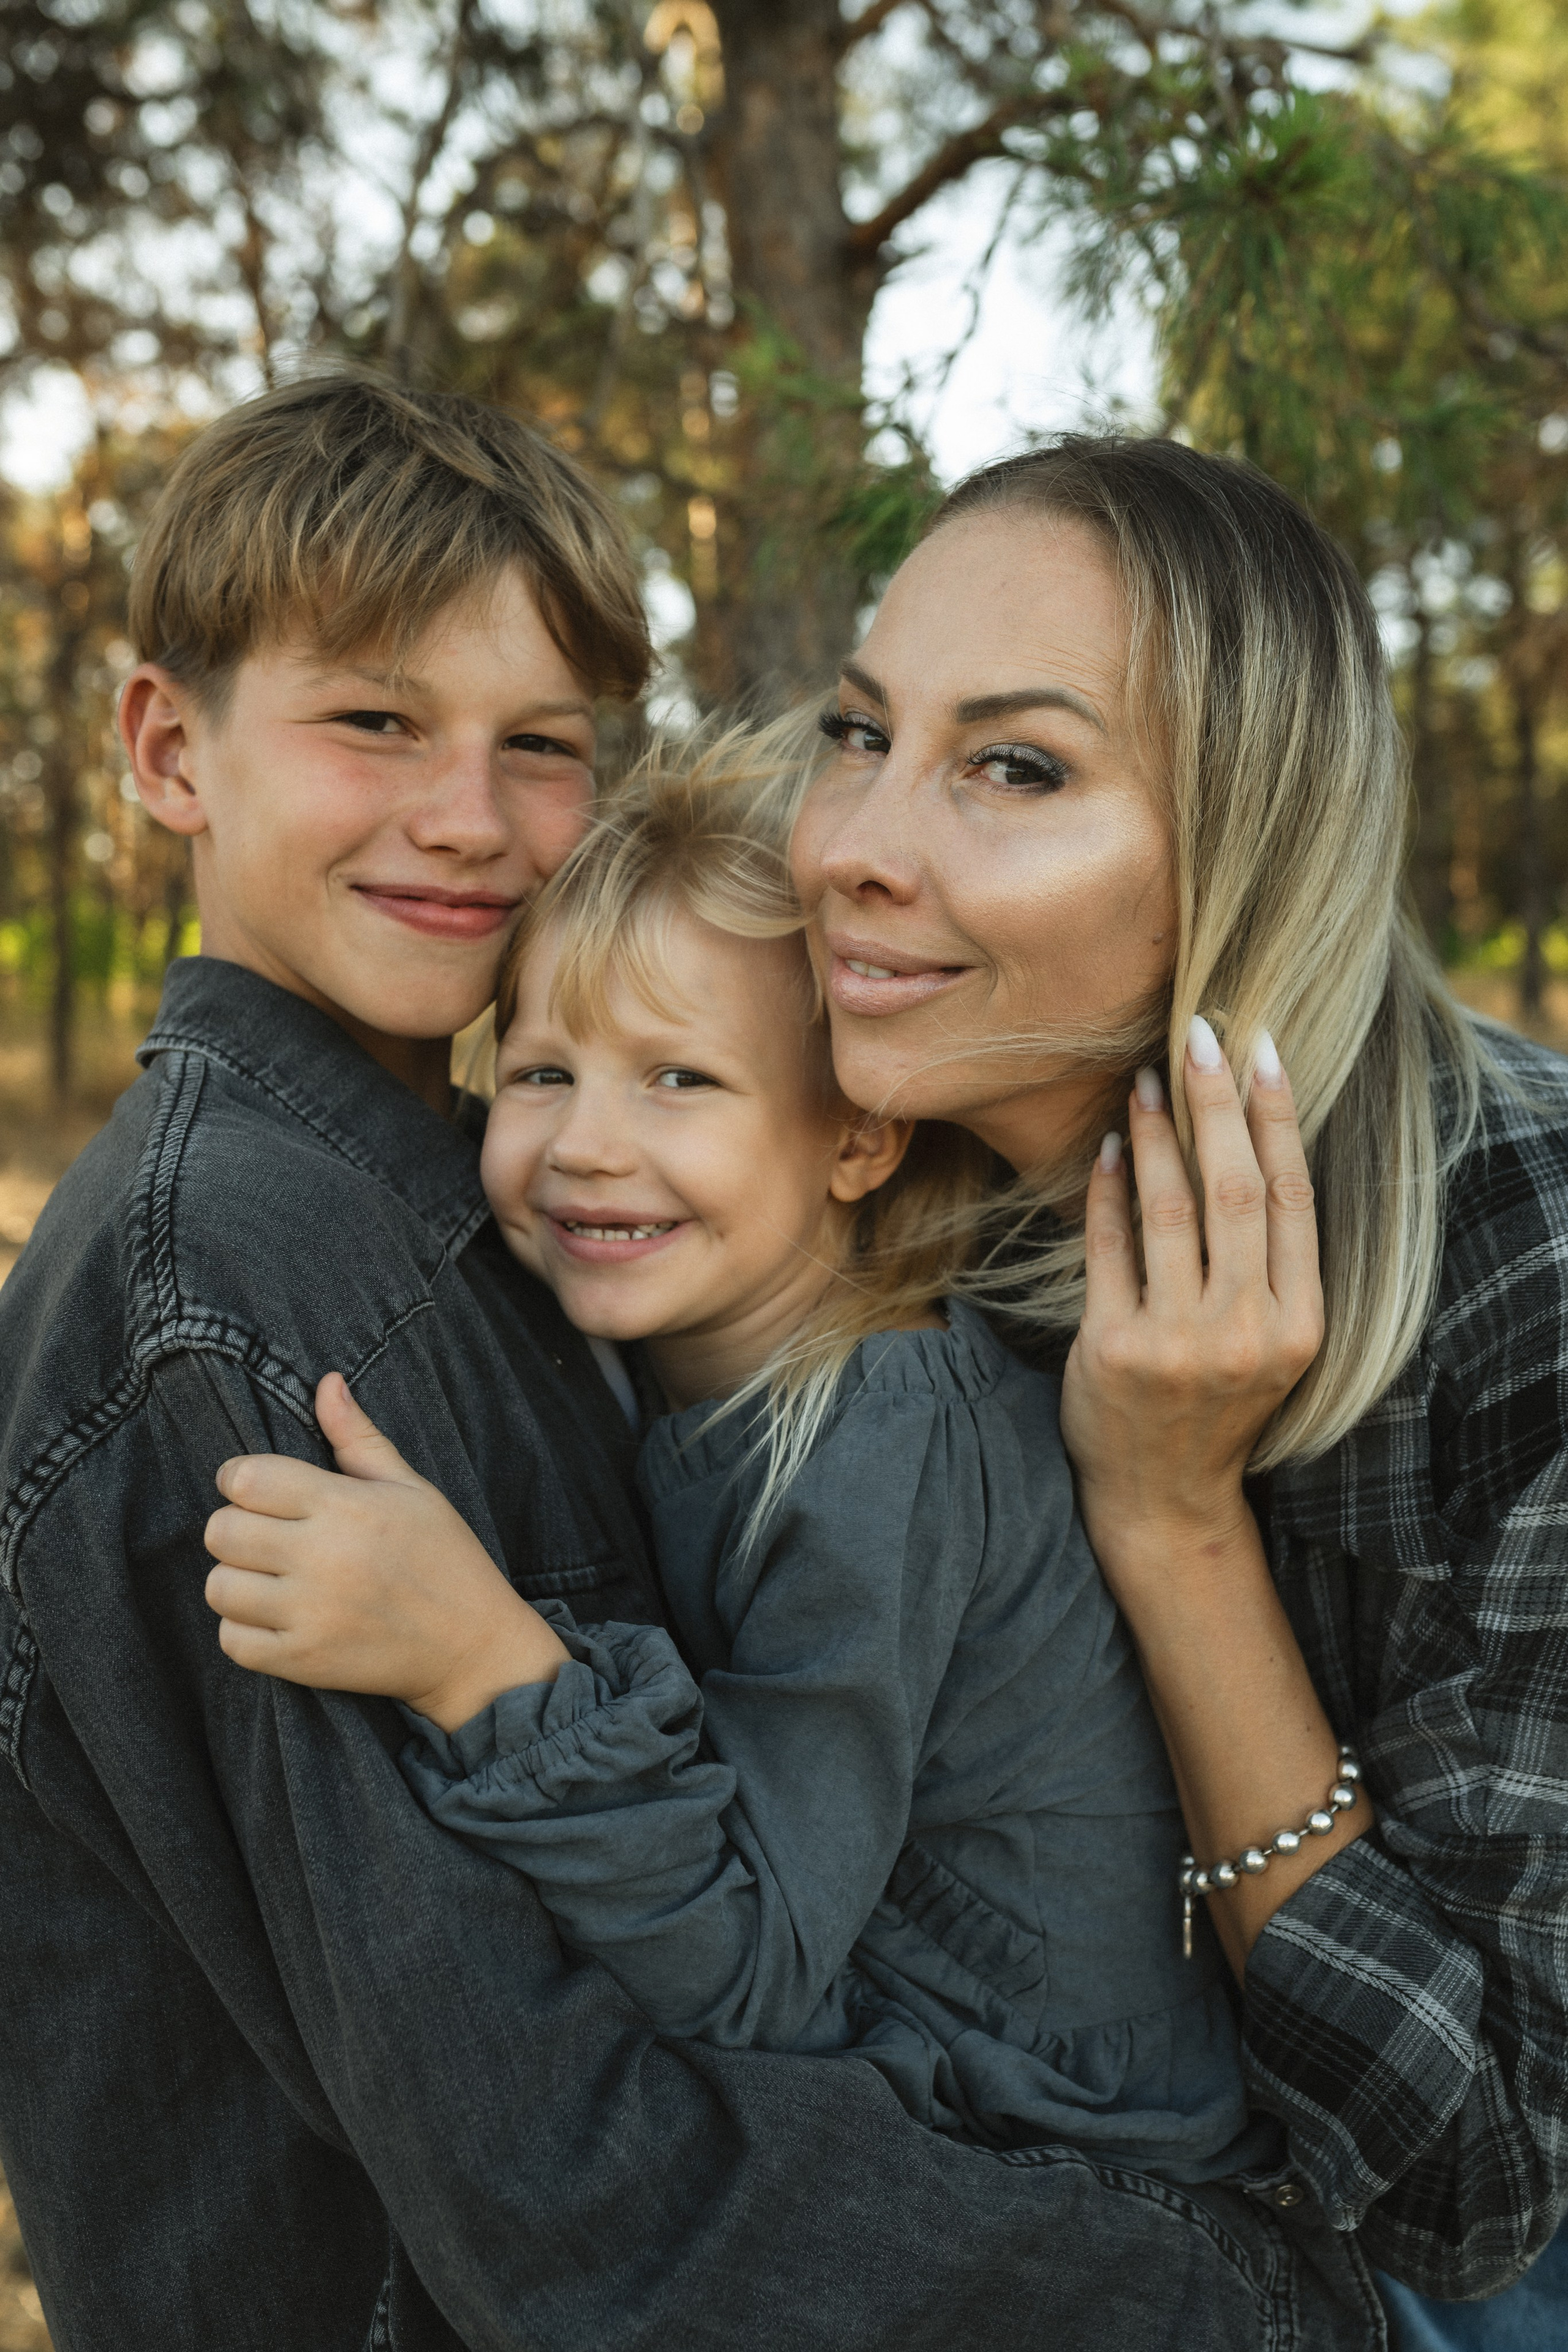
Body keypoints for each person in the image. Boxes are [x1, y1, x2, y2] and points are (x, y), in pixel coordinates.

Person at [0, 375, 1380, 2352]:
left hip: (1030, 2174)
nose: (466, 815)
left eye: (542, 745)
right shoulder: (227, 1294)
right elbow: (567, 2181)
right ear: (165, 747)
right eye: (373, 720)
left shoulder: (545, 1261)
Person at [200, 734, 1281, 2187]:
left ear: (858, 1139)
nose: (586, 1145)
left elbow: (748, 1959)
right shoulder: (668, 1360)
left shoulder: (884, 1446)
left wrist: (479, 1666)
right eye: (539, 1071)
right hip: (908, 2070)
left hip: (1056, 2149)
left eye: (679, 1077)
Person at [787, 435, 1568, 2340]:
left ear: (1247, 848)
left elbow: (1481, 2188)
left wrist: (1172, 1516)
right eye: (858, 732)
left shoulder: (1521, 1253)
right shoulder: (845, 1146)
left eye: (1017, 768)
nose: (855, 845)